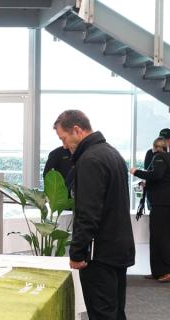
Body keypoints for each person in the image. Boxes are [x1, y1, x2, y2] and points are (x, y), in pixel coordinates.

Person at [54, 110, 135, 320]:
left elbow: (88, 212)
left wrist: (77, 252)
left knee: (102, 314)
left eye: (63, 138)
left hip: (100, 254)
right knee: (115, 312)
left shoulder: (90, 159)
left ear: (77, 130)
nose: (64, 145)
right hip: (117, 250)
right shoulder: (111, 153)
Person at [129, 137, 170, 283]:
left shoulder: (160, 157)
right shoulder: (165, 158)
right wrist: (146, 182)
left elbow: (157, 175)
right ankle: (158, 271)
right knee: (156, 237)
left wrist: (136, 172)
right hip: (160, 204)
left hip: (162, 204)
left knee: (161, 238)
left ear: (155, 147)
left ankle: (166, 271)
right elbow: (159, 178)